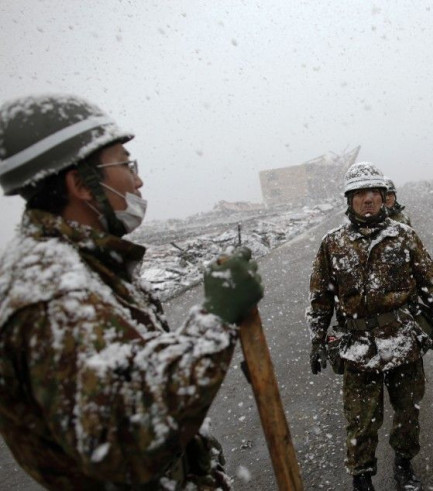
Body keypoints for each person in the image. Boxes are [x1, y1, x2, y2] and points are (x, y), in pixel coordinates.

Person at [0, 94, 264, 490]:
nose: (137, 180)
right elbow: (123, 441)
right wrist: (215, 318)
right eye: (125, 164)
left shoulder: (85, 262)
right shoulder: (52, 294)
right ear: (80, 185)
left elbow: (131, 371)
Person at [306, 162, 433, 491]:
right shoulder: (332, 244)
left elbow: (432, 280)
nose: (368, 199)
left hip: (403, 340)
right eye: (360, 193)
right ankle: (361, 478)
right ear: (349, 200)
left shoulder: (404, 236)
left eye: (374, 192)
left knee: (407, 413)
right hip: (357, 346)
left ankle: (404, 465)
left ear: (383, 196)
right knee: (360, 422)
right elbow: (320, 297)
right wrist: (317, 340)